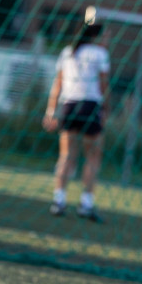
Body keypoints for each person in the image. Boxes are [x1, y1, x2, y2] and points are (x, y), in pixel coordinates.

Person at [42, 19, 110, 222]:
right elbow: (103, 85)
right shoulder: (100, 54)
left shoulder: (67, 52)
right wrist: (106, 109)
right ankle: (86, 204)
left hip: (69, 106)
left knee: (67, 155)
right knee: (93, 156)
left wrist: (50, 111)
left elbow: (57, 84)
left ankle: (59, 201)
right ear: (97, 36)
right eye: (106, 35)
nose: (107, 39)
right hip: (90, 106)